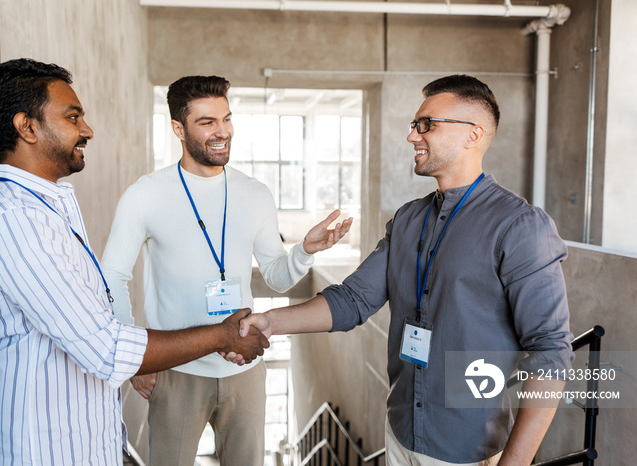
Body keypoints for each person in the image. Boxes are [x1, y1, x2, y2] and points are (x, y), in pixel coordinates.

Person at [239, 75, 573, 466]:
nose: (413, 136)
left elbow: (549, 351)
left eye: (426, 124)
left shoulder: (520, 226)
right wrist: (271, 322)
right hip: (399, 433)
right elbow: (353, 300)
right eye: (415, 125)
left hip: (467, 451)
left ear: (473, 135)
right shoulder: (407, 219)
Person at [0, 58, 269, 465]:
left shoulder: (45, 205)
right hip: (39, 448)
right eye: (73, 117)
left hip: (69, 442)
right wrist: (221, 335)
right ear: (28, 127)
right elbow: (105, 348)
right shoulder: (19, 221)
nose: (87, 130)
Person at [100, 75, 352, 466]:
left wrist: (304, 250)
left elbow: (276, 276)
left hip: (244, 368)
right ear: (178, 129)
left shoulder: (255, 193)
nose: (222, 132)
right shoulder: (145, 195)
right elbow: (112, 275)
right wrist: (135, 358)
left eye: (226, 119)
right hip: (174, 368)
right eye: (207, 122)